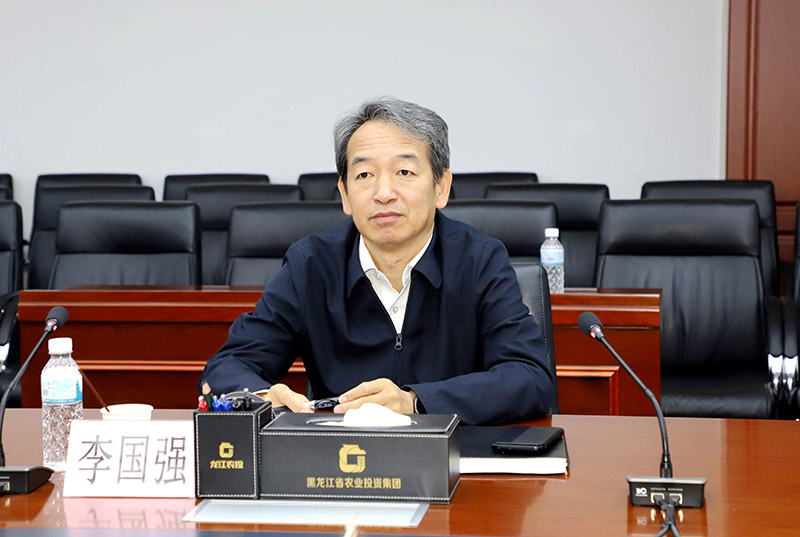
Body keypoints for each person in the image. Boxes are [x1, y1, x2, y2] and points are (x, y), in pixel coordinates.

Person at [199, 97, 555, 425]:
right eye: (364, 175)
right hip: (342, 460)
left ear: (441, 187)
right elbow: (226, 367)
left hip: (454, 460)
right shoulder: (311, 265)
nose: (383, 193)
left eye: (404, 172)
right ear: (345, 195)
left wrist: (415, 401)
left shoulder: (479, 259)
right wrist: (262, 396)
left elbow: (530, 379)